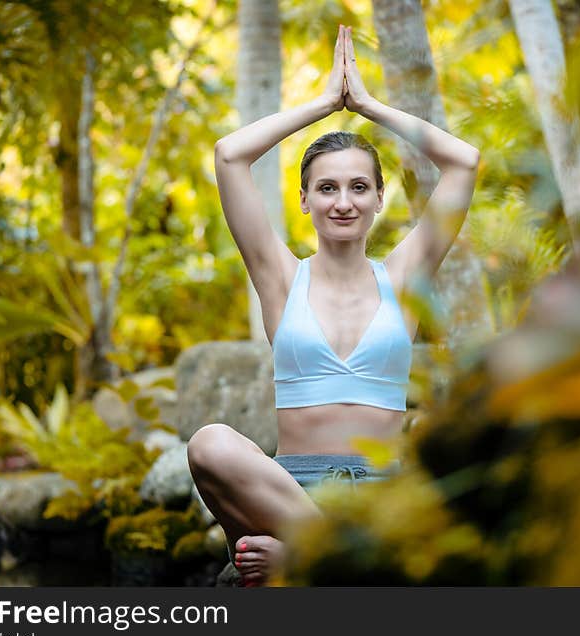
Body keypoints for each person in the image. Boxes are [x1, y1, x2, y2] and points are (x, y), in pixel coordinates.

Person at [187, 25, 479, 586]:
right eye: (326, 188)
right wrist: (323, 105)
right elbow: (229, 156)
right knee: (210, 443)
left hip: (382, 493)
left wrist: (368, 106)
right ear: (304, 200)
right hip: (291, 492)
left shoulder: (404, 274)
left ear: (377, 198)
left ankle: (316, 559)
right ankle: (336, 554)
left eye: (357, 187)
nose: (343, 202)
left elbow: (463, 162)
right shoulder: (279, 277)